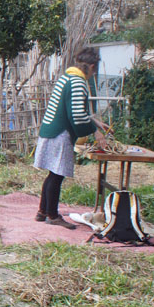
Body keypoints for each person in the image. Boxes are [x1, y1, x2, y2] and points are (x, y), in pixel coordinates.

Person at [33, 48, 106, 229]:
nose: (93, 74)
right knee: (57, 176)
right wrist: (95, 132)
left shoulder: (66, 78)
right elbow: (77, 115)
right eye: (94, 69)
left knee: (52, 174)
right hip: (60, 134)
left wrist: (94, 121)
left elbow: (71, 109)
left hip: (50, 130)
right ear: (90, 66)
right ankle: (52, 215)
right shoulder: (78, 82)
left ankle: (42, 211)